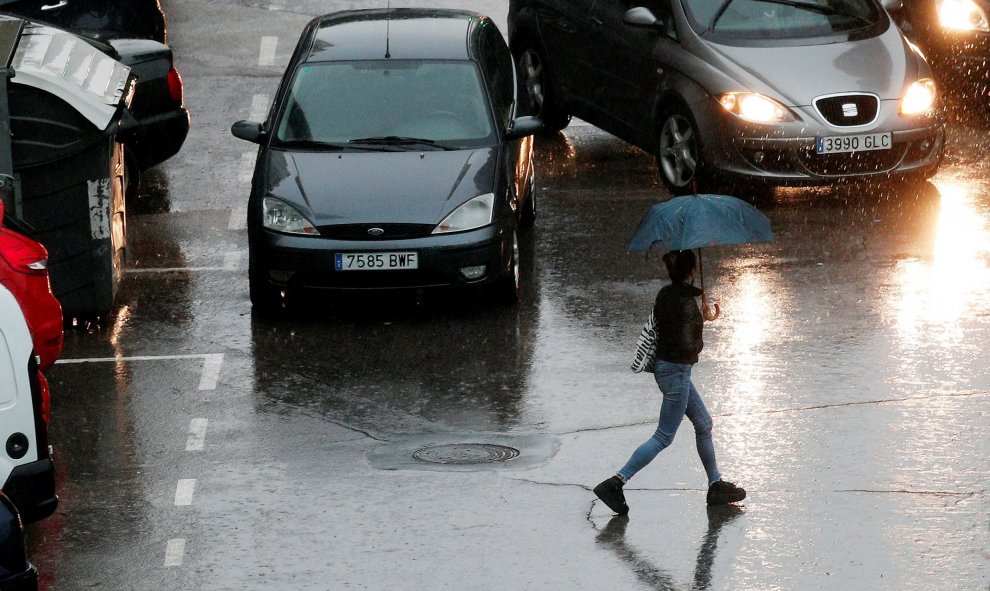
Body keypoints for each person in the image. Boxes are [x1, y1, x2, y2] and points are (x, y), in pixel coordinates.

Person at [594, 249, 745, 515]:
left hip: (669, 370)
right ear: (692, 271)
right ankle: (615, 482)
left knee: (704, 423)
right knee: (663, 436)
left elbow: (671, 327)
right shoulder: (686, 303)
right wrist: (701, 320)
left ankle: (715, 485)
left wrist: (700, 316)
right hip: (677, 372)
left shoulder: (666, 294)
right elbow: (688, 345)